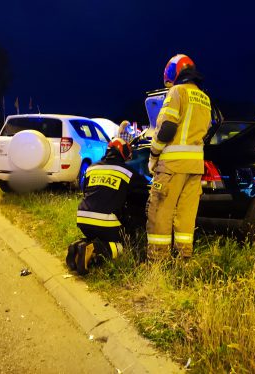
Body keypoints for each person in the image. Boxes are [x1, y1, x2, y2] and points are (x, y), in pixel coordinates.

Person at [146, 54, 212, 262]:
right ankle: (183, 259)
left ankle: (158, 262)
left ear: (174, 74)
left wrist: (154, 154)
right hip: (194, 167)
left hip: (172, 165)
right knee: (186, 214)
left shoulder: (176, 92)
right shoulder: (204, 98)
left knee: (160, 210)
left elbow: (166, 128)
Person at [67, 138, 138, 275]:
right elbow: (139, 190)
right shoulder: (127, 172)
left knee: (98, 237)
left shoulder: (91, 168)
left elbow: (85, 191)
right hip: (106, 221)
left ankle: (78, 247)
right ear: (123, 152)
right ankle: (95, 249)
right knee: (121, 246)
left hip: (83, 219)